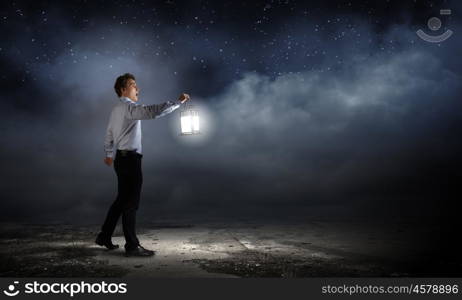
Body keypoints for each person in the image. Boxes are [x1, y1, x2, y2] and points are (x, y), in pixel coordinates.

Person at [95, 73, 189, 257]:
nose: (138, 89)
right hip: (130, 161)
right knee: (130, 202)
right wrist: (178, 103)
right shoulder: (129, 107)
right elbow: (151, 111)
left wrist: (108, 155)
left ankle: (104, 236)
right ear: (123, 89)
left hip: (121, 160)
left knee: (121, 201)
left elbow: (108, 135)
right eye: (133, 85)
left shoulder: (116, 110)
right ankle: (132, 246)